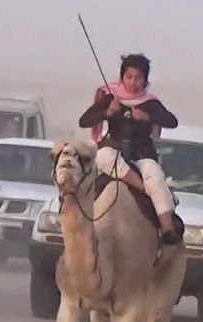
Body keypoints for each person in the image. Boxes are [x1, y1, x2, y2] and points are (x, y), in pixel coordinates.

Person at [78, 53, 182, 244]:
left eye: (139, 78)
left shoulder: (150, 102)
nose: (133, 82)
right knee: (102, 156)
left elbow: (172, 121)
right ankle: (143, 189)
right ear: (122, 77)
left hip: (141, 154)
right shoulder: (110, 97)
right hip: (114, 152)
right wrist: (107, 112)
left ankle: (167, 227)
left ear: (145, 81)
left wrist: (147, 117)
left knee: (155, 175)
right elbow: (84, 121)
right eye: (129, 77)